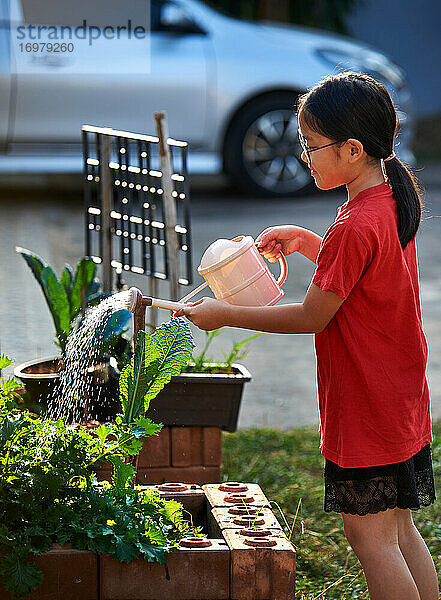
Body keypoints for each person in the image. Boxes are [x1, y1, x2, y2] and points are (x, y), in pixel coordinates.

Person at [174, 71, 438, 600]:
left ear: (353, 149)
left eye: (312, 146)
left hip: (365, 400)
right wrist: (310, 243)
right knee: (397, 529)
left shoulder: (356, 224)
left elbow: (310, 316)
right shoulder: (389, 197)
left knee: (371, 539)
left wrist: (224, 312)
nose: (304, 157)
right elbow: (367, 279)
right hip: (398, 394)